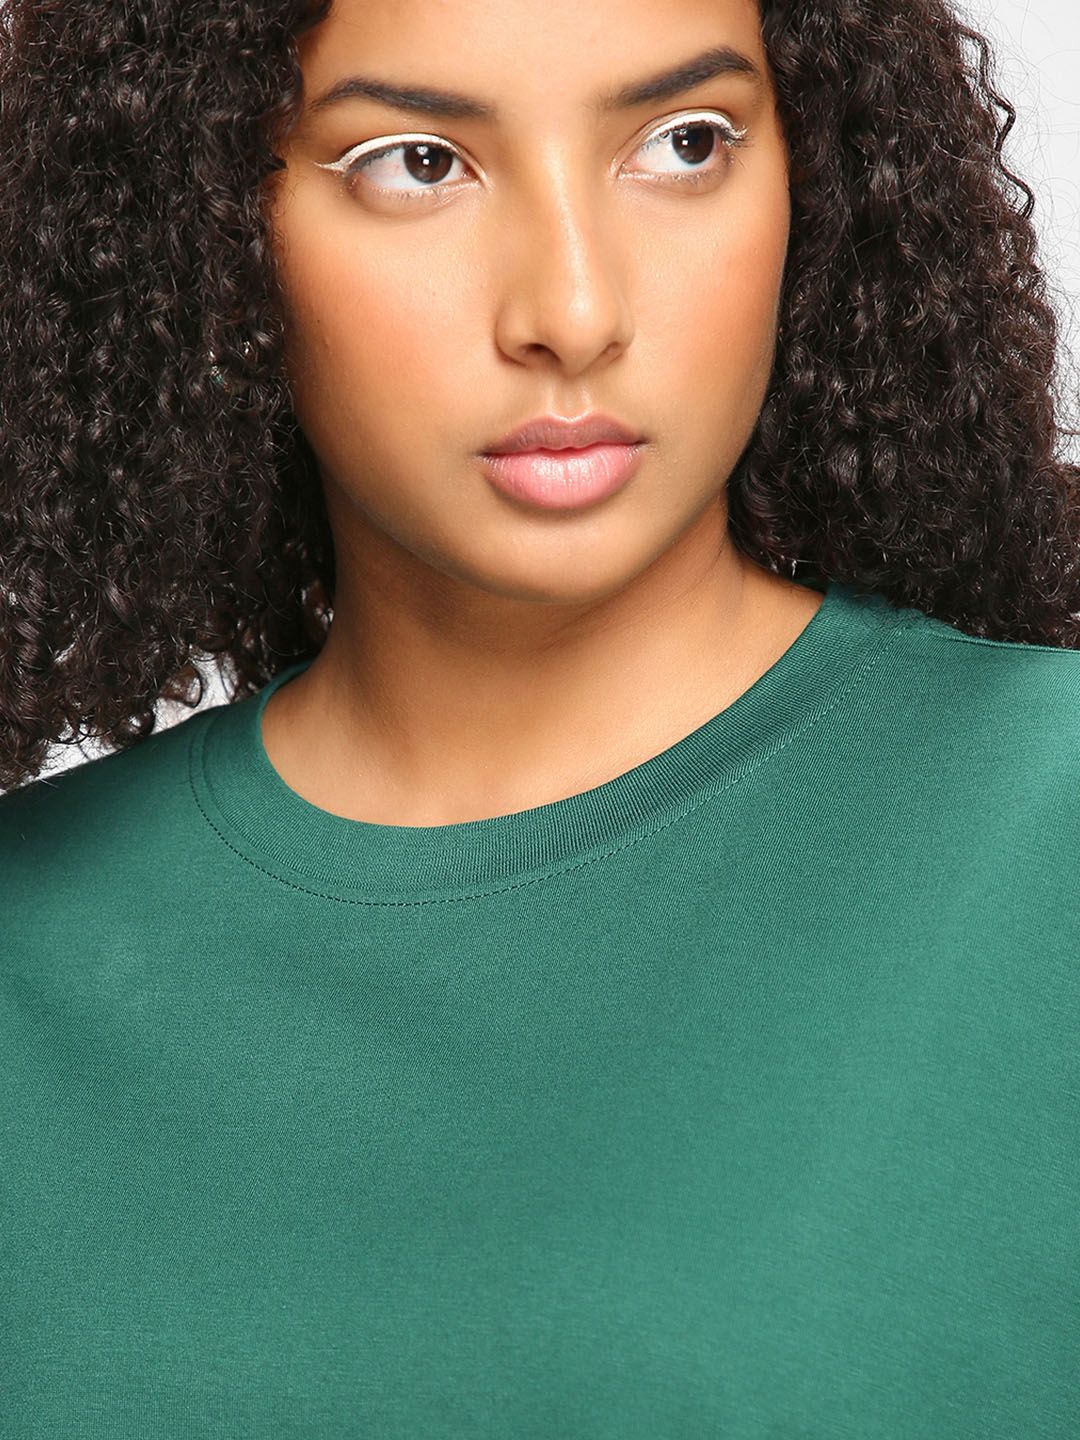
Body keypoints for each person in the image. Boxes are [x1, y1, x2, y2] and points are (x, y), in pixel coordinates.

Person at [0, 0, 1077, 1434]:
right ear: (196, 225)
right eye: (417, 163)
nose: (573, 310)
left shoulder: (1047, 836)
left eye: (685, 143)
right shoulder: (31, 962)